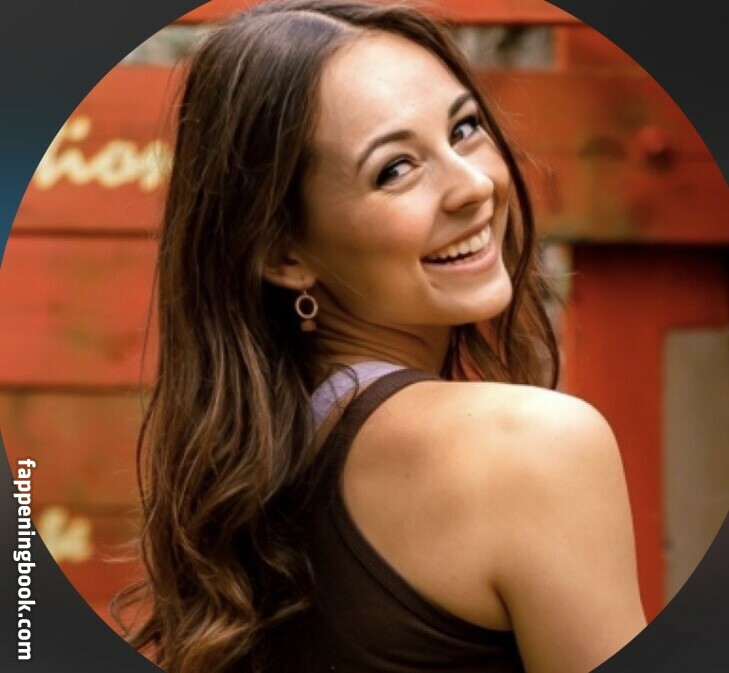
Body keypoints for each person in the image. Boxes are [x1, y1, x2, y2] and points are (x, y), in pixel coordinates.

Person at [113, 1, 646, 671]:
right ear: (282, 252)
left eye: (464, 128)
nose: (473, 185)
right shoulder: (531, 446)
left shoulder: (251, 486)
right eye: (395, 169)